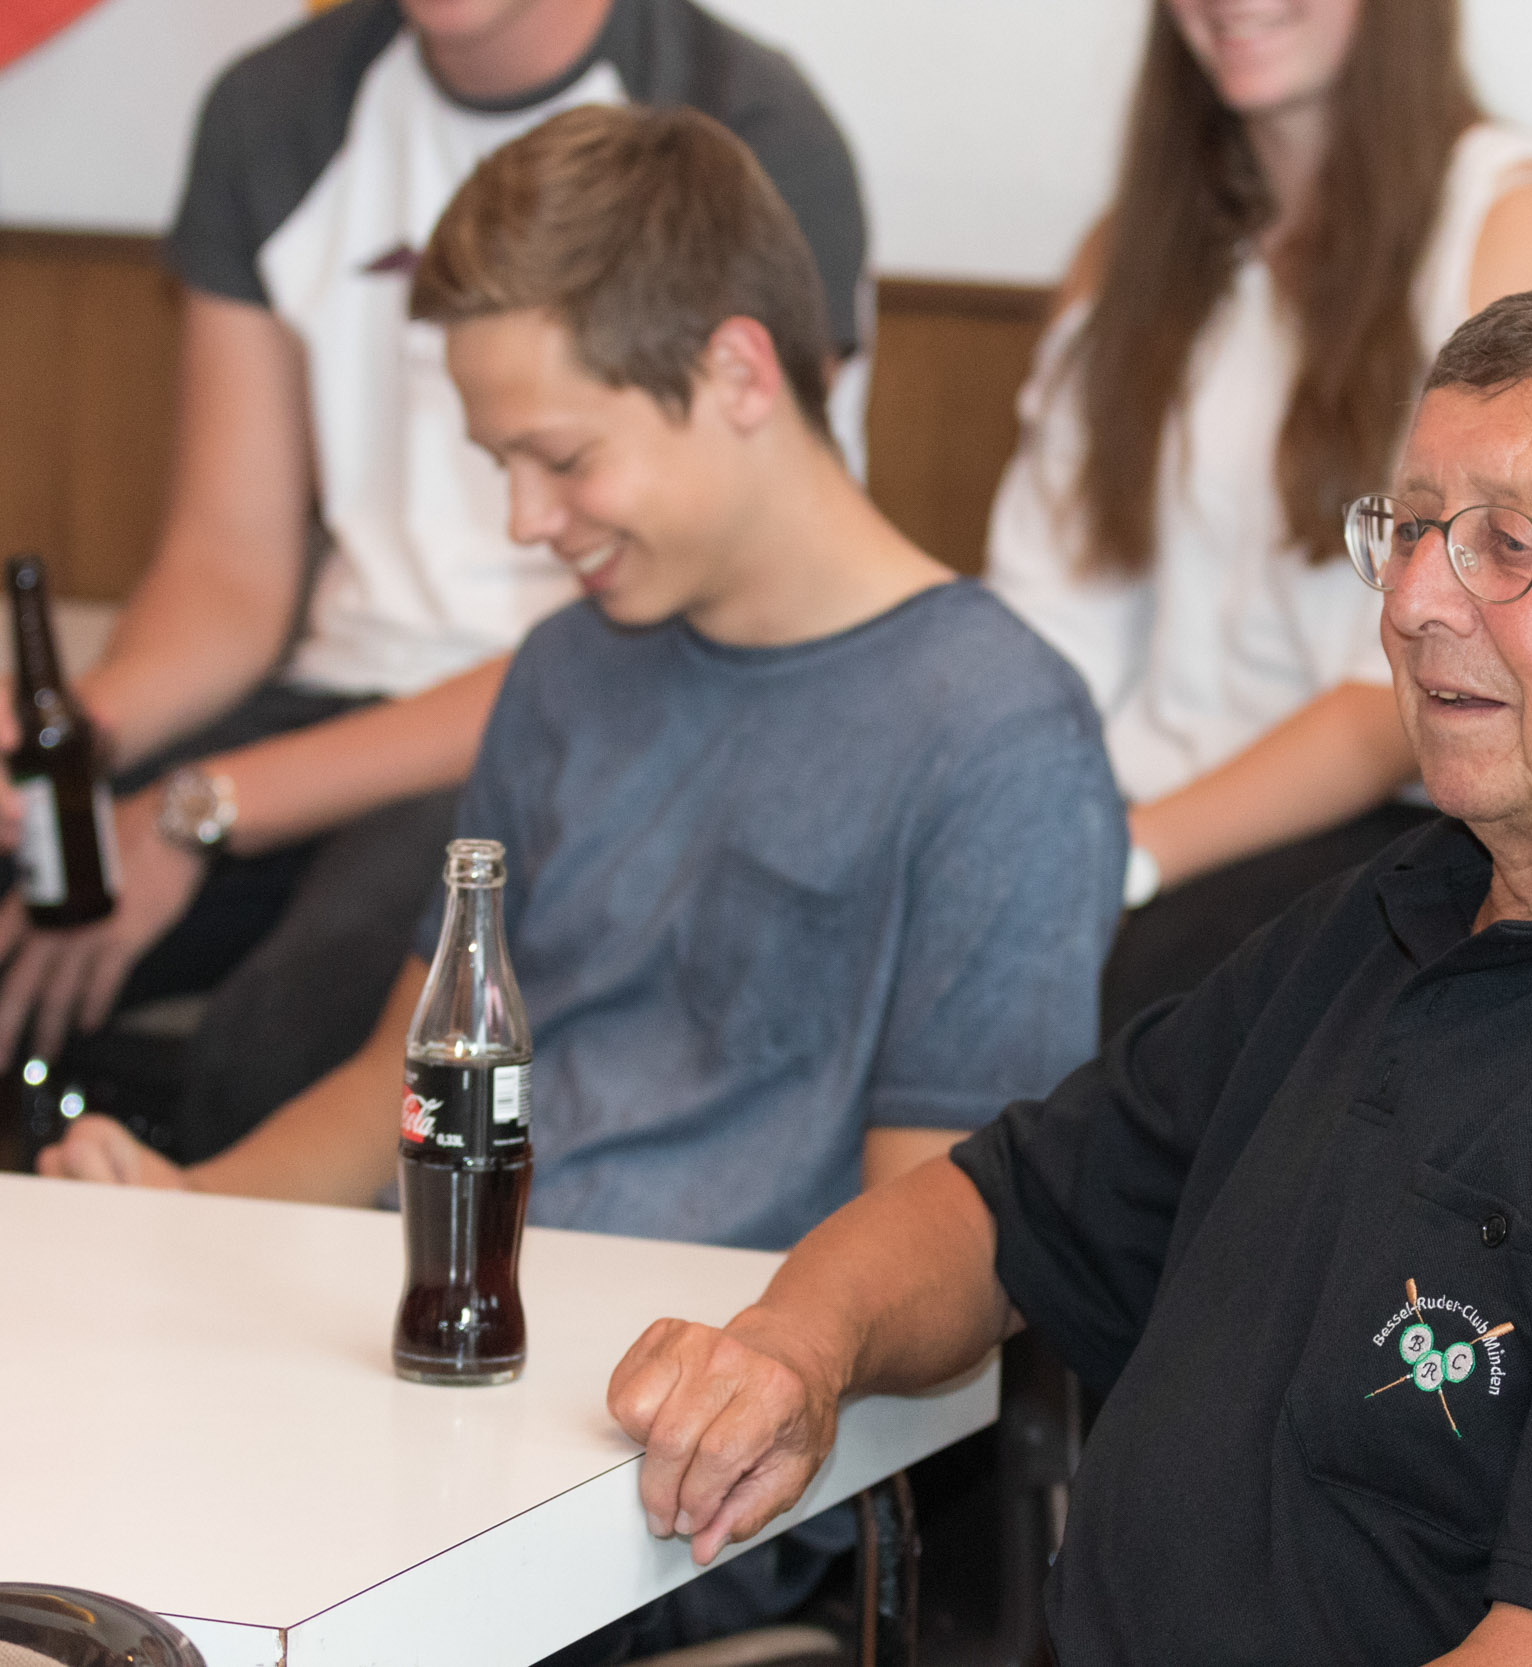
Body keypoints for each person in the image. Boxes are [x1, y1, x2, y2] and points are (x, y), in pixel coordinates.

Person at [606, 255, 1532, 1666]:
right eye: (1412, 526)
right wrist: (797, 1343)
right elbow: (1008, 1207)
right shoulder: (1413, 900)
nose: (1417, 599)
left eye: (1509, 542)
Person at [39, 103, 1124, 1659]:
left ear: (742, 372)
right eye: (500, 464)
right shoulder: (564, 678)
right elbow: (394, 1086)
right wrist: (180, 1223)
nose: (525, 521)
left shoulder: (995, 730)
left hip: (682, 1475)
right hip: (448, 1390)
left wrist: (765, 1363)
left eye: (559, 456)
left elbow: (948, 1237)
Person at [0, 0, 871, 1167]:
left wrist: (204, 804)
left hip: (586, 713)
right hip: (325, 688)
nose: (521, 504)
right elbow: (226, 566)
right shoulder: (279, 106)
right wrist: (63, 747)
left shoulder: (741, 125)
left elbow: (705, 591)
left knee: (297, 1030)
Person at [984, 0, 1532, 1032]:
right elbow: (1047, 618)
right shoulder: (1127, 249)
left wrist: (1124, 857)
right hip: (1127, 815)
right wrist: (1002, 830)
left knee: (1138, 1003)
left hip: (1387, 833)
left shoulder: (1503, 226)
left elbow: (1437, 675)